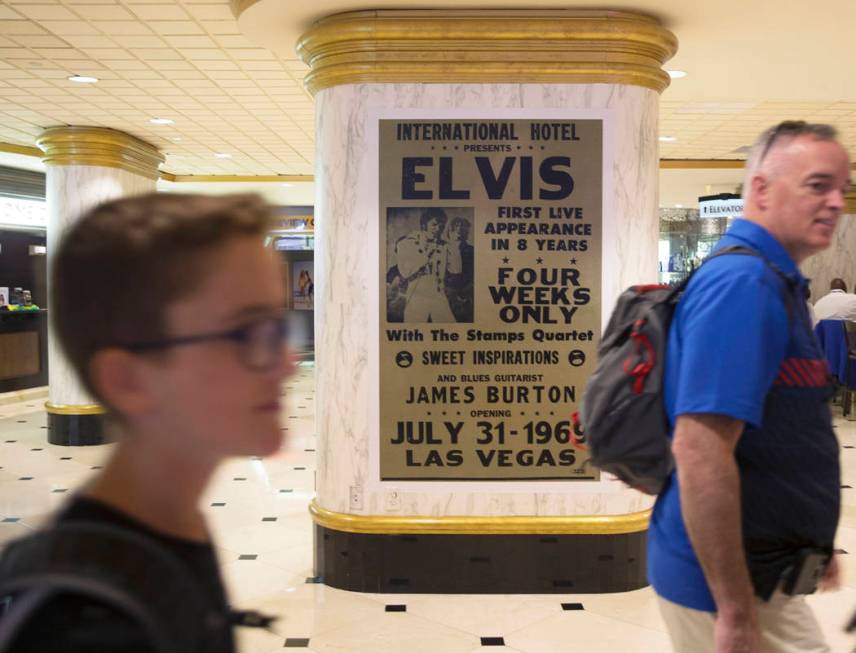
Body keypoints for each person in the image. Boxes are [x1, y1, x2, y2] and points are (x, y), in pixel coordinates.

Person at [4, 193, 294, 651]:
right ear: (129, 380)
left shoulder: (172, 528)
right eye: (247, 333)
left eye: (279, 326)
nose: (288, 363)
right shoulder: (88, 628)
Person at [648, 121, 851, 652]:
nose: (836, 202)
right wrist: (735, 611)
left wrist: (809, 536)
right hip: (730, 587)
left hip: (763, 570)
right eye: (817, 185)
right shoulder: (744, 285)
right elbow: (701, 452)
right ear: (760, 190)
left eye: (842, 189)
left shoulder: (773, 280)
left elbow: (779, 433)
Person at [393, 207, 456, 323]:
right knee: (413, 334)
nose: (438, 229)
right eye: (434, 224)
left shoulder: (444, 246)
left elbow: (456, 270)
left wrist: (453, 245)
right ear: (424, 224)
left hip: (439, 295)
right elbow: (405, 272)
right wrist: (427, 251)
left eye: (442, 226)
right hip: (416, 296)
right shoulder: (406, 243)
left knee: (449, 330)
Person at [444, 216, 474, 322]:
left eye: (462, 228)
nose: (458, 230)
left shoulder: (471, 251)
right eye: (455, 227)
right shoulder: (441, 248)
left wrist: (467, 291)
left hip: (465, 293)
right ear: (449, 230)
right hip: (445, 292)